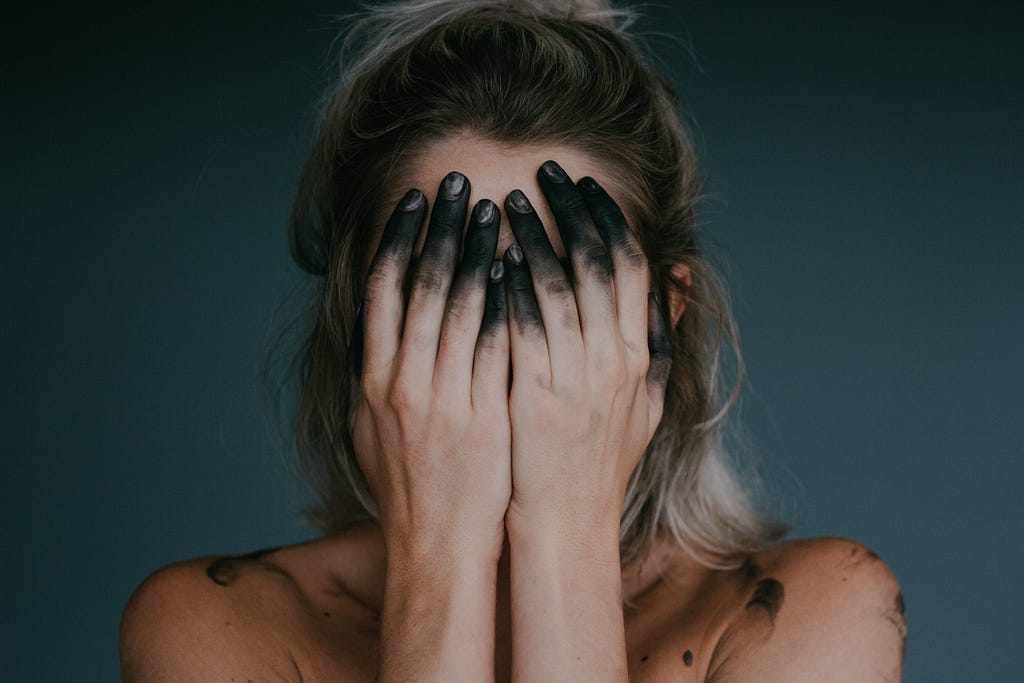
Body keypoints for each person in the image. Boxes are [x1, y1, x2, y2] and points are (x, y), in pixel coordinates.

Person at [119, 1, 906, 680]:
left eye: (559, 292)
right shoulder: (213, 626)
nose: (500, 350)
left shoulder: (814, 611)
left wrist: (562, 540)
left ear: (660, 321)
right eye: (444, 285)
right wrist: (441, 556)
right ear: (363, 323)